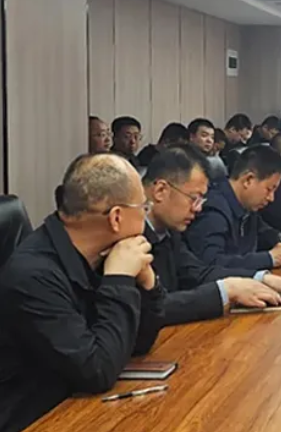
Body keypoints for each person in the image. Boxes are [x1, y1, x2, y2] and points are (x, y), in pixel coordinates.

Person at [0, 154, 164, 432]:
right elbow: (97, 371)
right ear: (116, 217)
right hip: (34, 420)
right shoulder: (33, 276)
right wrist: (119, 281)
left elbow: (137, 343)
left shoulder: (98, 256)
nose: (146, 216)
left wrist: (148, 283)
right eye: (143, 207)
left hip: (76, 409)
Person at [143, 145, 281, 325]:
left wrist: (260, 278)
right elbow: (148, 309)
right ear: (160, 191)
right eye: (194, 198)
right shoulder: (130, 235)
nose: (198, 208)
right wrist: (225, 290)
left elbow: (197, 272)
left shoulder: (169, 231)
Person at [184, 146, 281, 270]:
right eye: (269, 189)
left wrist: (278, 240)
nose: (271, 198)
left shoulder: (247, 206)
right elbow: (211, 263)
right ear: (248, 180)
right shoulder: (213, 211)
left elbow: (264, 231)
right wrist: (268, 258)